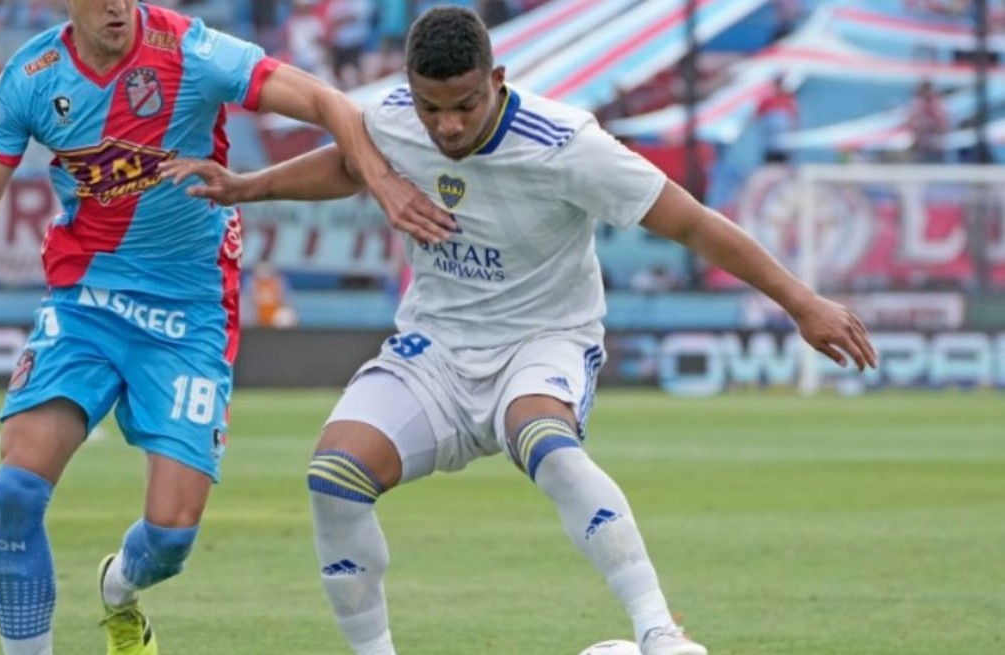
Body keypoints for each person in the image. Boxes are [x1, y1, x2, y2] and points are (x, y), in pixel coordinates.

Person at [158, 7, 880, 655]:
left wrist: (801, 302)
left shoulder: (566, 144)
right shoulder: (395, 117)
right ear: (408, 87)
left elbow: (689, 220)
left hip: (544, 339)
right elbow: (349, 164)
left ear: (497, 79)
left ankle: (660, 629)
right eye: (430, 106)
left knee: (544, 440)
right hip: (435, 348)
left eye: (465, 104)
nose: (446, 125)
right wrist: (249, 185)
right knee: (333, 476)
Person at [0, 1, 453, 655]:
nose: (115, 5)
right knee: (17, 488)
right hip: (87, 301)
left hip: (190, 312)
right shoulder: (32, 75)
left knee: (170, 537)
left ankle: (119, 588)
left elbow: (330, 104)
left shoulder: (194, 53)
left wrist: (386, 186)